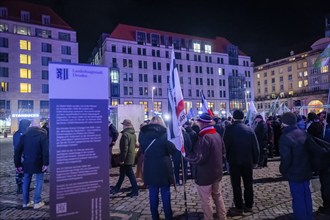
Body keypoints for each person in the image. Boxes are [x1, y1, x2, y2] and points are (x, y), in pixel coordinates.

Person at [186, 113, 227, 220]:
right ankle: (222, 216)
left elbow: (198, 158)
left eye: (199, 122)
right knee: (217, 196)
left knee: (206, 199)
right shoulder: (216, 134)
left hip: (205, 174)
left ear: (203, 123)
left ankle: (208, 218)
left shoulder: (205, 137)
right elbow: (223, 152)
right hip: (217, 172)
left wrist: (187, 156)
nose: (198, 124)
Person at [223, 109, 259, 217]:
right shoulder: (249, 129)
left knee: (236, 185)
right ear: (243, 118)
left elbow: (225, 147)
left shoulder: (229, 130)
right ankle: (248, 205)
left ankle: (239, 206)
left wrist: (227, 159)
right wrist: (255, 160)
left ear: (233, 117)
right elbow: (255, 147)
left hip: (234, 162)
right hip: (247, 162)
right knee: (248, 184)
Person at [139, 116, 177, 220]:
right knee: (165, 192)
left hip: (149, 166)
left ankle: (155, 217)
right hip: (163, 167)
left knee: (153, 192)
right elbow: (172, 150)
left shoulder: (143, 134)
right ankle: (168, 216)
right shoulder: (165, 134)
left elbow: (142, 149)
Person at [279, 112, 313, 220]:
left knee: (298, 198)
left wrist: (283, 170)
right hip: (306, 170)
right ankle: (308, 216)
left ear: (284, 123)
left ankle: (301, 217)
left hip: (295, 172)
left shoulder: (285, 137)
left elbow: (286, 159)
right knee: (306, 195)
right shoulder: (303, 132)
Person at [14, 124, 49, 209]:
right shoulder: (42, 136)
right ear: (39, 129)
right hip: (39, 162)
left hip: (26, 162)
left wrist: (17, 164)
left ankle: (25, 202)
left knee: (26, 181)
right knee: (39, 180)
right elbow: (45, 151)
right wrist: (46, 163)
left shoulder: (24, 136)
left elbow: (17, 152)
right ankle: (37, 202)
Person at [110, 119, 139, 197]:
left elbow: (125, 148)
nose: (122, 126)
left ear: (126, 125)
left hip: (126, 159)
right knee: (122, 174)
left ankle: (135, 191)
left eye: (123, 124)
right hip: (130, 157)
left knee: (130, 174)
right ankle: (117, 188)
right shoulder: (133, 134)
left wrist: (122, 159)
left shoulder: (125, 134)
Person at [13, 119, 31, 194]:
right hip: (23, 156)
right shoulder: (24, 134)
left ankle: (20, 187)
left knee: (20, 172)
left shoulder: (17, 133)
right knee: (24, 172)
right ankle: (22, 188)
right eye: (28, 125)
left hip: (19, 155)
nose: (28, 127)